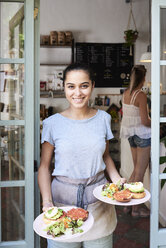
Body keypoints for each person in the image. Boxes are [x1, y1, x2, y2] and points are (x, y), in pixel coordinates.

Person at [38, 63, 125, 248]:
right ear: (64, 87)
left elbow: (106, 156)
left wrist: (116, 179)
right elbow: (45, 166)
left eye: (84, 85)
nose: (77, 93)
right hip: (63, 204)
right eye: (71, 86)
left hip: (99, 202)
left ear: (92, 86)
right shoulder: (51, 124)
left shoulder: (104, 118)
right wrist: (47, 201)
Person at [120, 65, 151, 218]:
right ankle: (136, 209)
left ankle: (126, 203)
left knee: (135, 170)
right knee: (140, 172)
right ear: (143, 78)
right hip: (142, 136)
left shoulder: (126, 93)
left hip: (131, 136)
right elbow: (145, 121)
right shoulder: (141, 95)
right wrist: (156, 122)